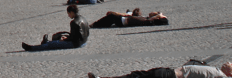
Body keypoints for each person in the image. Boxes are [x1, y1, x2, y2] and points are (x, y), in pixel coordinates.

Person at [22, 4, 89, 51]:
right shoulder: (83, 19)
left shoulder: (74, 22)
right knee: (57, 40)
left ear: (71, 12)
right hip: (84, 42)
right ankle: (46, 42)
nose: (68, 16)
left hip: (76, 44)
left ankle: (32, 48)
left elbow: (73, 38)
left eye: (68, 14)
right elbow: (86, 33)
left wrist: (65, 39)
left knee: (52, 44)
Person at [88, 62, 232, 78]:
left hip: (168, 76)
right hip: (168, 72)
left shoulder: (221, 76)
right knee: (135, 75)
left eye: (230, 65)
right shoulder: (216, 70)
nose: (227, 63)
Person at [90, 9, 168, 29]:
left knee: (111, 17)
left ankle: (95, 24)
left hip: (123, 21)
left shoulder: (149, 20)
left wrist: (159, 15)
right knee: (110, 19)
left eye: (156, 13)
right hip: (124, 20)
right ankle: (98, 24)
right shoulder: (148, 19)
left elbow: (154, 18)